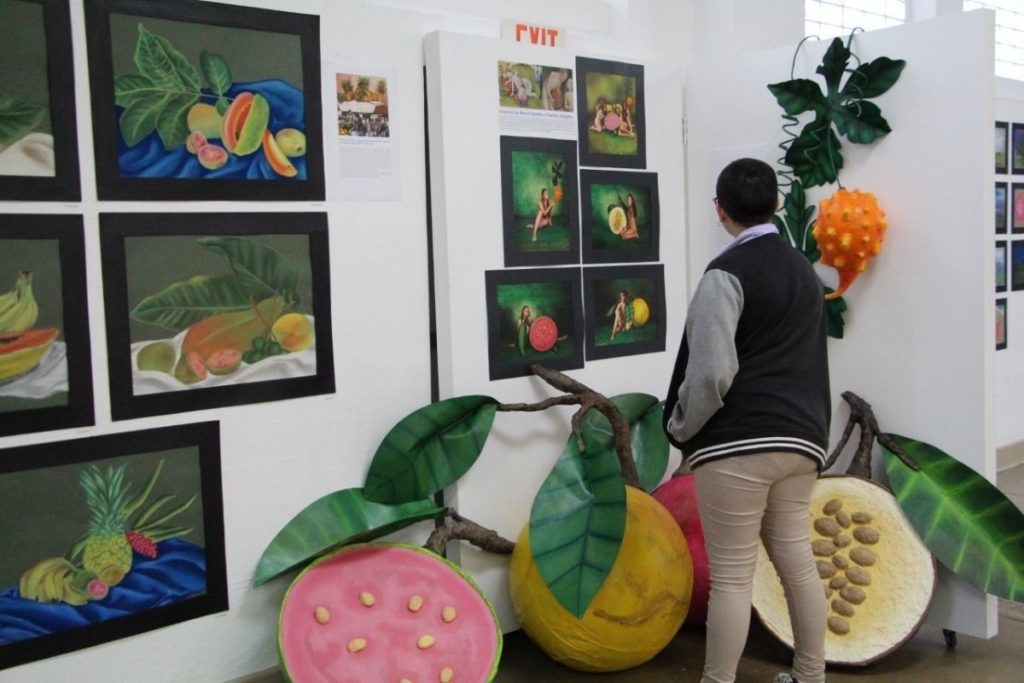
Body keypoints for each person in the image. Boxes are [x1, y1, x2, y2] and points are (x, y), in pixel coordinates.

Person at [662, 158, 830, 683]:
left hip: (738, 445)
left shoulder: (725, 274)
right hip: (802, 441)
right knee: (797, 561)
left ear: (720, 210)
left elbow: (711, 372)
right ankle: (810, 676)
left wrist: (682, 427)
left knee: (733, 577)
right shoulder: (806, 272)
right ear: (777, 203)